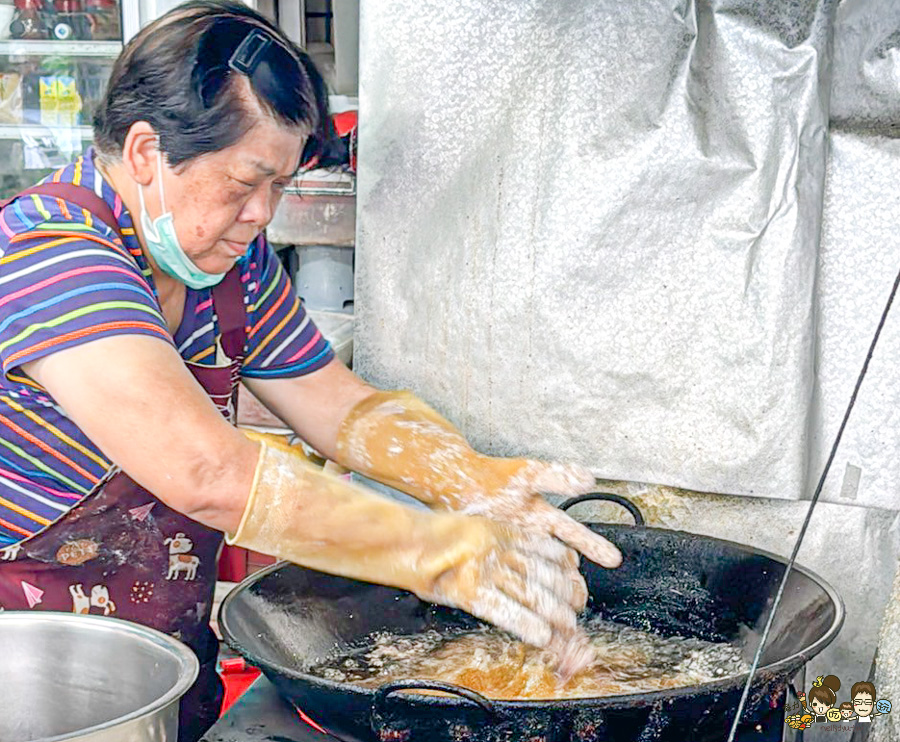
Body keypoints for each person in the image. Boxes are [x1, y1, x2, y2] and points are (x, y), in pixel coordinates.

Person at [0, 2, 622, 740]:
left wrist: (465, 477)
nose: (262, 213)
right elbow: (207, 473)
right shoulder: (50, 256)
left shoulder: (224, 259)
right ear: (144, 152)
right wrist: (436, 553)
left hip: (165, 665)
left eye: (281, 186)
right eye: (244, 181)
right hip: (34, 679)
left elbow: (334, 404)